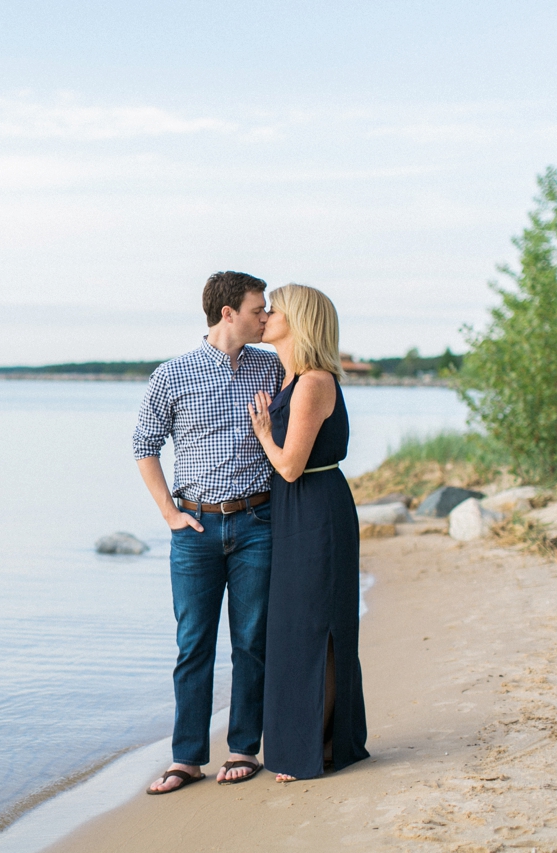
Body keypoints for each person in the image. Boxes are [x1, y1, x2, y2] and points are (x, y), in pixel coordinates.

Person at [133, 271, 284, 794]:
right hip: (194, 528)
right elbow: (144, 445)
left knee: (251, 641)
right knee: (193, 643)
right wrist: (170, 514)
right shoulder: (173, 374)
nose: (265, 316)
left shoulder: (274, 365)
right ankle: (187, 757)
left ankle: (244, 748)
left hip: (258, 523)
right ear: (228, 313)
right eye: (257, 308)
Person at [246, 284, 370, 782]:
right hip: (296, 511)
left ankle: (318, 748)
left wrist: (262, 435)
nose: (267, 315)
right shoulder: (290, 376)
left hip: (315, 506)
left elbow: (292, 466)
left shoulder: (314, 381)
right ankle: (313, 743)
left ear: (298, 320)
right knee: (296, 628)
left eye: (275, 309)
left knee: (321, 629)